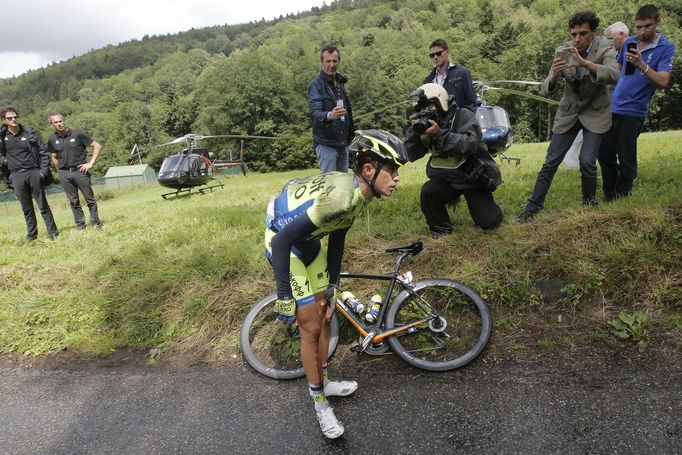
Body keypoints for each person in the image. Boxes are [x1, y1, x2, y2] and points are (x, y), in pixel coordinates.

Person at [265, 130, 407, 439]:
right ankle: (320, 405)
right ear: (369, 170)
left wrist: (331, 285)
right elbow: (281, 240)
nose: (397, 178)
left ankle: (325, 381)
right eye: (392, 170)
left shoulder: (358, 195)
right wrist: (284, 296)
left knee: (326, 315)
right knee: (311, 326)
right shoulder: (341, 198)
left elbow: (338, 237)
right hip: (285, 243)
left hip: (308, 241)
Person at [515, 11, 619, 222]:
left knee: (587, 161)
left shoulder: (605, 47)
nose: (577, 39)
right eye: (574, 34)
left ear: (594, 32)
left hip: (596, 112)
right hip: (569, 112)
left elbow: (613, 75)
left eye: (582, 34)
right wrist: (554, 74)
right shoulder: (562, 50)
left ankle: (589, 204)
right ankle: (532, 209)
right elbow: (546, 88)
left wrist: (584, 63)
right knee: (550, 162)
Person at [598, 4, 675, 201]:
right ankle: (610, 193)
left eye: (647, 26)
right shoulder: (629, 42)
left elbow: (663, 82)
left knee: (626, 155)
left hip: (634, 110)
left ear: (657, 22)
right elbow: (618, 71)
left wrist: (641, 64)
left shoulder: (666, 47)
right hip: (612, 105)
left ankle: (623, 194)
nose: (642, 31)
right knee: (604, 152)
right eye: (638, 27)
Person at [405, 83, 503, 237]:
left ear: (441, 102)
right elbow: (411, 154)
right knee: (428, 191)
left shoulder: (462, 115)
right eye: (421, 108)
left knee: (490, 222)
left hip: (471, 177)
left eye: (430, 106)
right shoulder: (426, 126)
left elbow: (471, 144)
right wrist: (414, 131)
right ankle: (441, 231)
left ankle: (488, 210)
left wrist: (439, 134)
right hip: (447, 178)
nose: (426, 111)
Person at [0, 106, 59, 241]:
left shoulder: (29, 133)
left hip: (34, 173)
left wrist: (43, 172)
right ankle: (32, 236)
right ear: (4, 120)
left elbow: (43, 152)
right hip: (16, 175)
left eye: (15, 117)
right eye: (10, 118)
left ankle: (54, 234)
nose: (14, 120)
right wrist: (4, 161)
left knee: (43, 206)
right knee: (27, 208)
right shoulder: (2, 137)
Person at [47, 113, 102, 229]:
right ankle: (80, 226)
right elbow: (53, 156)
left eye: (60, 121)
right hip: (65, 174)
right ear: (51, 124)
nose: (59, 124)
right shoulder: (52, 139)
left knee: (90, 199)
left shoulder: (77, 134)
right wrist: (60, 170)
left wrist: (90, 163)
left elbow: (97, 146)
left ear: (64, 121)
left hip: (80, 171)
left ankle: (95, 223)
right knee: (74, 201)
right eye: (56, 122)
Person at [308, 45, 355, 173]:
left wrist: (351, 136)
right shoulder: (316, 85)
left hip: (342, 143)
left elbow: (348, 113)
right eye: (328, 61)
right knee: (330, 186)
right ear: (322, 63)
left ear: (339, 62)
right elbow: (315, 112)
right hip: (326, 145)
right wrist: (330, 115)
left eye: (335, 61)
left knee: (343, 185)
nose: (331, 64)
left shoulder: (340, 83)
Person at [423, 39, 478, 112]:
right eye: (432, 55)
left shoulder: (462, 73)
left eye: (438, 53)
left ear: (447, 51)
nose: (435, 57)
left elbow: (472, 104)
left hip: (458, 121)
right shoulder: (428, 81)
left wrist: (463, 121)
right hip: (437, 122)